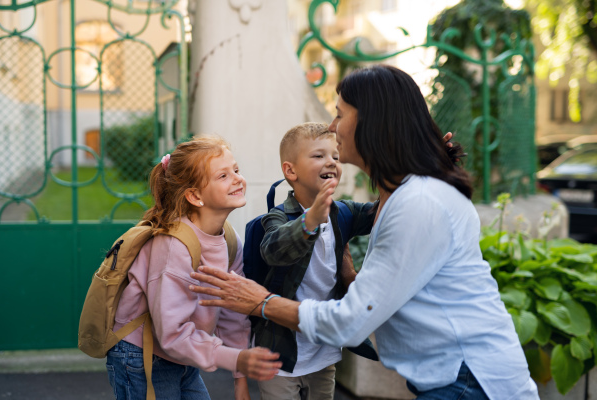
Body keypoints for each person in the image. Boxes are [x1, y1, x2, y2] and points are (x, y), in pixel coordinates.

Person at [188, 65, 540, 400]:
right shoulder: (407, 194)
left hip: (470, 382)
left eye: (341, 114)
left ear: (372, 122)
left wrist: (261, 302)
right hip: (460, 379)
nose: (333, 125)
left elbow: (350, 324)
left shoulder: (418, 203)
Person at [106, 136, 281, 400]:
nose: (237, 178)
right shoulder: (173, 246)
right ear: (195, 196)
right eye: (223, 175)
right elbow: (171, 334)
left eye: (236, 170)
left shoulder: (228, 239)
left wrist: (240, 379)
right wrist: (236, 357)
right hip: (142, 355)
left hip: (180, 353)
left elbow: (233, 313)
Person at [253, 122, 376, 400]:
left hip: (323, 353)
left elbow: (383, 210)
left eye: (335, 155)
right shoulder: (278, 217)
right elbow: (274, 248)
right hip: (279, 357)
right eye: (319, 156)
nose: (331, 161)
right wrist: (310, 221)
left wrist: (421, 169)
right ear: (290, 171)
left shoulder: (342, 212)